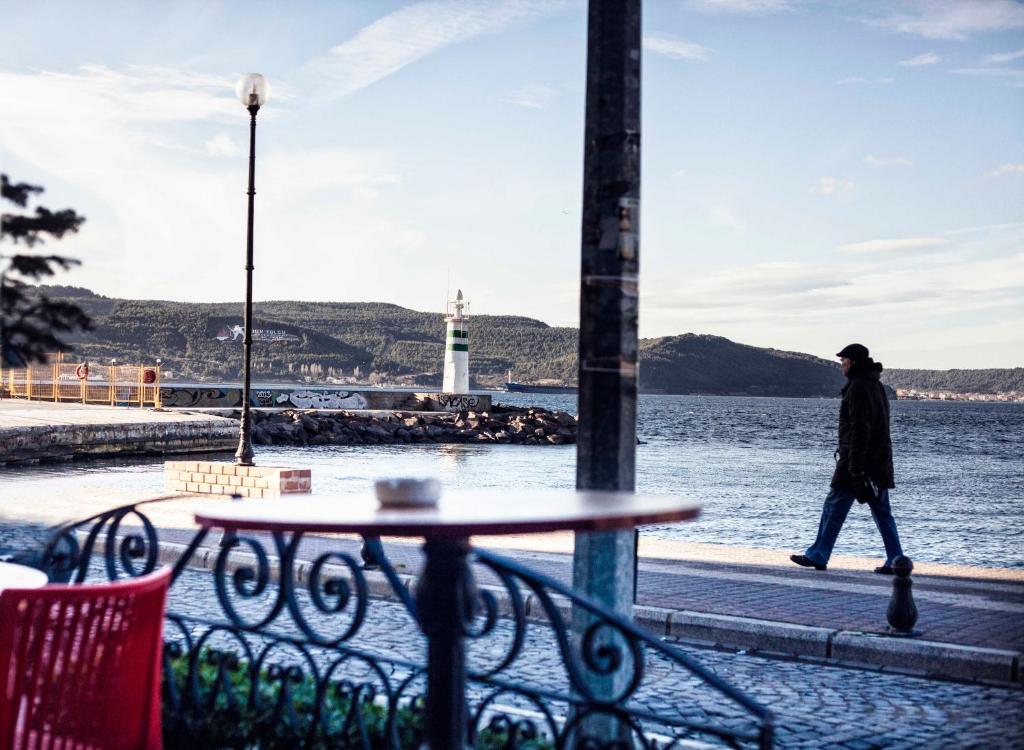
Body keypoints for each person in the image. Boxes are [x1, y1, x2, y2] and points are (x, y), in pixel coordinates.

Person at [791, 343, 904, 574]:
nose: (841, 366)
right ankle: (896, 559)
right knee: (882, 512)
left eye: (844, 362)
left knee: (833, 506)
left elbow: (859, 430)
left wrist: (854, 468)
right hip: (880, 462)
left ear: (852, 363)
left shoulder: (857, 388)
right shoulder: (877, 386)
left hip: (857, 462)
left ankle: (818, 554)